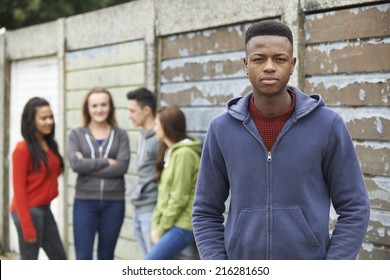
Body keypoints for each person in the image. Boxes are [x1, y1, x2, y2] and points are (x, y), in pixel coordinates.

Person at [192, 20, 370, 260]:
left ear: (292, 64)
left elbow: (355, 208)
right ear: (245, 64)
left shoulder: (327, 125)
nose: (269, 67)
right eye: (258, 59)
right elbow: (205, 211)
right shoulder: (221, 129)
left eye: (279, 59)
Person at [67, 87, 130, 260]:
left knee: (106, 256)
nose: (99, 109)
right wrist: (105, 161)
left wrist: (87, 165)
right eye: (94, 106)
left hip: (114, 203)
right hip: (85, 203)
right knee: (83, 256)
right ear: (87, 108)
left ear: (110, 107)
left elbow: (121, 167)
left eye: (103, 104)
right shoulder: (76, 134)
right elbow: (76, 164)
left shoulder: (121, 135)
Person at [10, 97, 67, 260]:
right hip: (28, 211)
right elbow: (19, 190)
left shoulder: (49, 144)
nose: (49, 121)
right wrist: (27, 227)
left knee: (60, 258)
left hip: (44, 209)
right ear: (31, 120)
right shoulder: (22, 149)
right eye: (43, 118)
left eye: (51, 117)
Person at [145, 106, 201, 260]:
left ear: (166, 126)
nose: (154, 128)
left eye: (157, 125)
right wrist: (155, 223)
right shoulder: (171, 151)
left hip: (183, 224)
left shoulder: (184, 154)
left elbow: (179, 197)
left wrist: (161, 229)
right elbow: (164, 193)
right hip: (171, 223)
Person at [126, 87, 160, 257]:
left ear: (146, 111)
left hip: (152, 210)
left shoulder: (158, 137)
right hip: (139, 207)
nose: (129, 115)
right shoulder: (142, 135)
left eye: (132, 111)